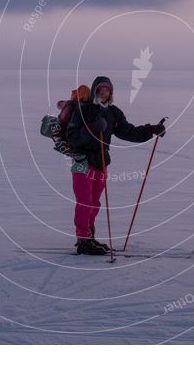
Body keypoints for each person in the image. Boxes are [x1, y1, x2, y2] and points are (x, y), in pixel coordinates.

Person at [65, 75, 166, 255]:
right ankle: (83, 240)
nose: (104, 93)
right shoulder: (83, 110)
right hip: (82, 161)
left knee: (94, 202)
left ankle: (90, 237)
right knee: (84, 201)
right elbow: (72, 136)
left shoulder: (113, 113)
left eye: (107, 90)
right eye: (100, 90)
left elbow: (128, 132)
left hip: (101, 162)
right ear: (95, 91)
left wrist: (151, 130)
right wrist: (93, 128)